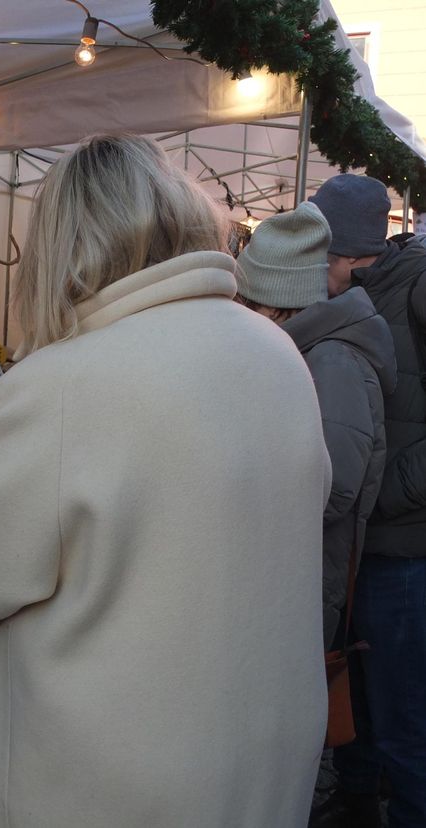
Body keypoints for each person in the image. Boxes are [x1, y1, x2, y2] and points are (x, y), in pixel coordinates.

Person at [0, 134, 331, 828]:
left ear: (62, 245)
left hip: (108, 792)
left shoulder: (69, 383)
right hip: (257, 772)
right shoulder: (275, 352)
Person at [307, 174, 426, 828]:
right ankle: (356, 806)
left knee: (405, 720)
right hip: (357, 544)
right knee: (359, 701)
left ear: (350, 256)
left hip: (401, 549)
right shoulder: (358, 297)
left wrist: (391, 491)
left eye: (321, 259)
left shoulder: (415, 290)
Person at [234, 202, 395, 650]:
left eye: (247, 301)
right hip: (289, 576)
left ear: (277, 301)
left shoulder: (332, 359)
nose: (239, 310)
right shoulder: (304, 349)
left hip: (304, 585)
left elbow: (335, 488)